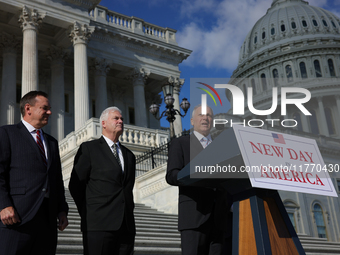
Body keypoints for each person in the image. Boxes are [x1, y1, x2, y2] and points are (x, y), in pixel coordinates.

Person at [0, 91, 69, 255]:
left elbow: (57, 180)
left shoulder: (51, 142)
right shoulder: (7, 133)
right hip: (17, 216)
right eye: (45, 108)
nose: (50, 112)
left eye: (50, 109)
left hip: (47, 219)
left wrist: (62, 209)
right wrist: (3, 205)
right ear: (28, 108)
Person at [166, 105, 233, 255]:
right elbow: (171, 175)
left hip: (220, 220)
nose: (205, 118)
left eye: (209, 115)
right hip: (194, 217)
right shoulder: (181, 143)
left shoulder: (222, 147)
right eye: (201, 115)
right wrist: (195, 175)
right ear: (192, 121)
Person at [69, 106, 136, 255]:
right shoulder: (89, 149)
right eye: (116, 118)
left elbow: (127, 188)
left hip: (126, 226)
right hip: (98, 225)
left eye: (122, 119)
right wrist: (89, 213)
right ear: (103, 123)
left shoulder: (129, 155)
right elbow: (75, 186)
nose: (120, 121)